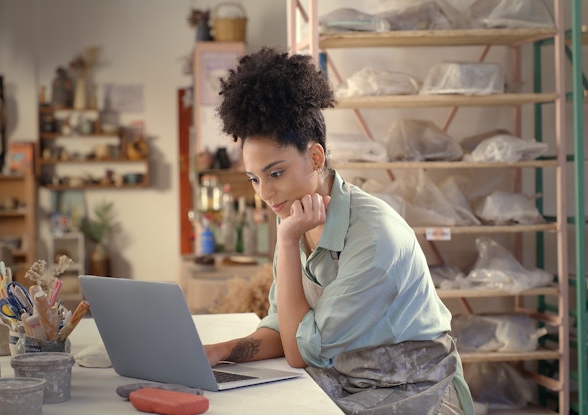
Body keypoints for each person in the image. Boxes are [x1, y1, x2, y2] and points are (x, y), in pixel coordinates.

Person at [203, 47, 475, 415]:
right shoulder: (300, 216)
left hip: (417, 393)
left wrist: (286, 241)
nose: (264, 193)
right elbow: (284, 329)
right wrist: (221, 352)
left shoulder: (375, 238)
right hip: (347, 381)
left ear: (315, 158)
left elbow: (299, 352)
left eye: (276, 173)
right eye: (254, 178)